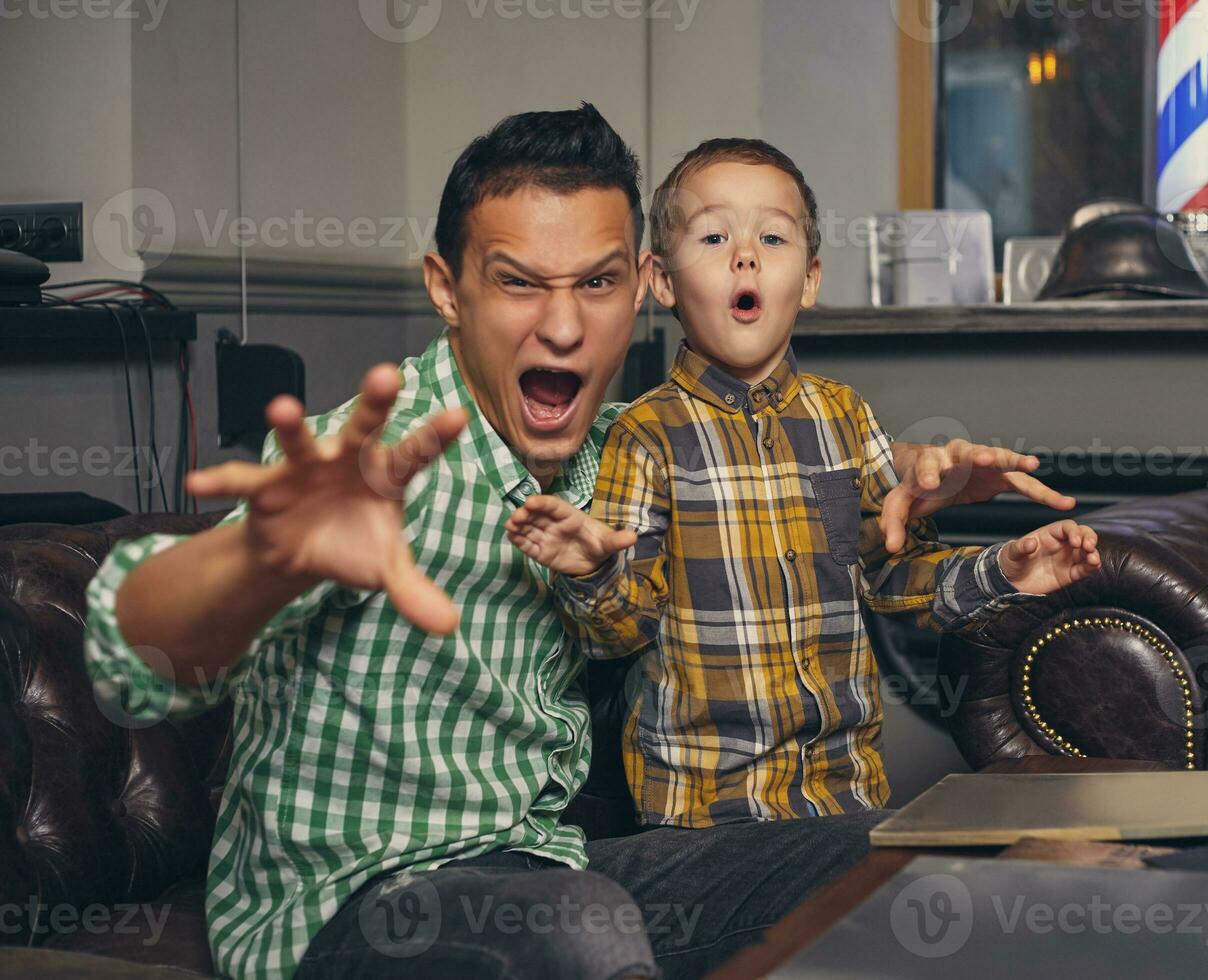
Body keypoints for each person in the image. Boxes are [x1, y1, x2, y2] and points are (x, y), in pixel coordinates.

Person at [84, 106, 1077, 980]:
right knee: (578, 925)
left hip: (552, 863)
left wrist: (907, 468)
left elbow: (761, 460)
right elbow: (132, 663)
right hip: (357, 899)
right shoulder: (377, 457)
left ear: (643, 283)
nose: (563, 326)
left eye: (596, 283)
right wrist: (261, 554)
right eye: (519, 283)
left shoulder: (628, 444)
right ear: (447, 287)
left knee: (905, 851)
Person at [507, 138, 1101, 829]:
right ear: (662, 280)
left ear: (810, 279)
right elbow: (617, 633)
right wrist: (588, 570)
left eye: (772, 236)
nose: (745, 255)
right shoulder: (648, 436)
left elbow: (892, 581)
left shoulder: (844, 418)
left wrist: (1002, 569)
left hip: (844, 795)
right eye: (713, 235)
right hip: (702, 816)